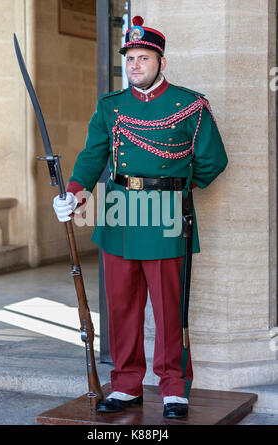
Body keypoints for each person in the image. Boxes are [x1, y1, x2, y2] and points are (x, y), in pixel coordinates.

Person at [53, 16, 228, 419]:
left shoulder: (189, 105)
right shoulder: (110, 107)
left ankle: (173, 388)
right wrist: (75, 193)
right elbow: (93, 155)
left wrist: (178, 189)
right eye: (130, 58)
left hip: (166, 211)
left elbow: (213, 160)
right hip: (118, 212)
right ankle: (127, 385)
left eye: (143, 57)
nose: (135, 65)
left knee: (170, 306)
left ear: (160, 62)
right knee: (121, 305)